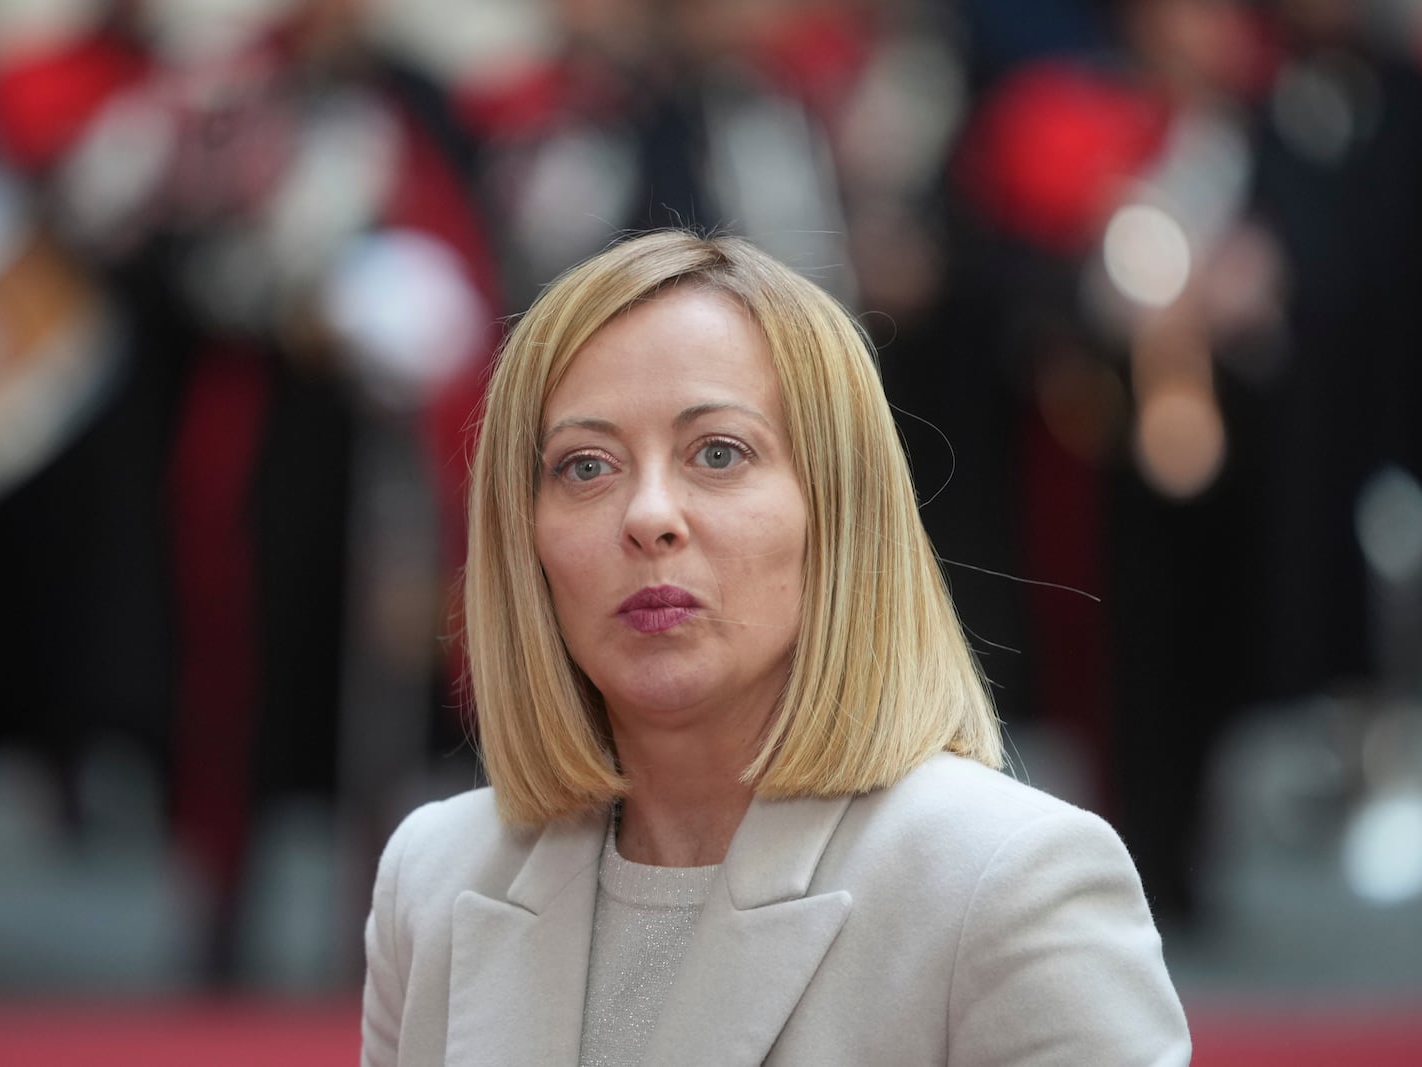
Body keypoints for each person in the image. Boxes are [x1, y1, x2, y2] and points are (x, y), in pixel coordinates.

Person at [359, 229, 1190, 1066]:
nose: (649, 514)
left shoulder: (1007, 879)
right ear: (521, 535)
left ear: (837, 508)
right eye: (585, 466)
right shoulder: (432, 876)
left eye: (718, 453)